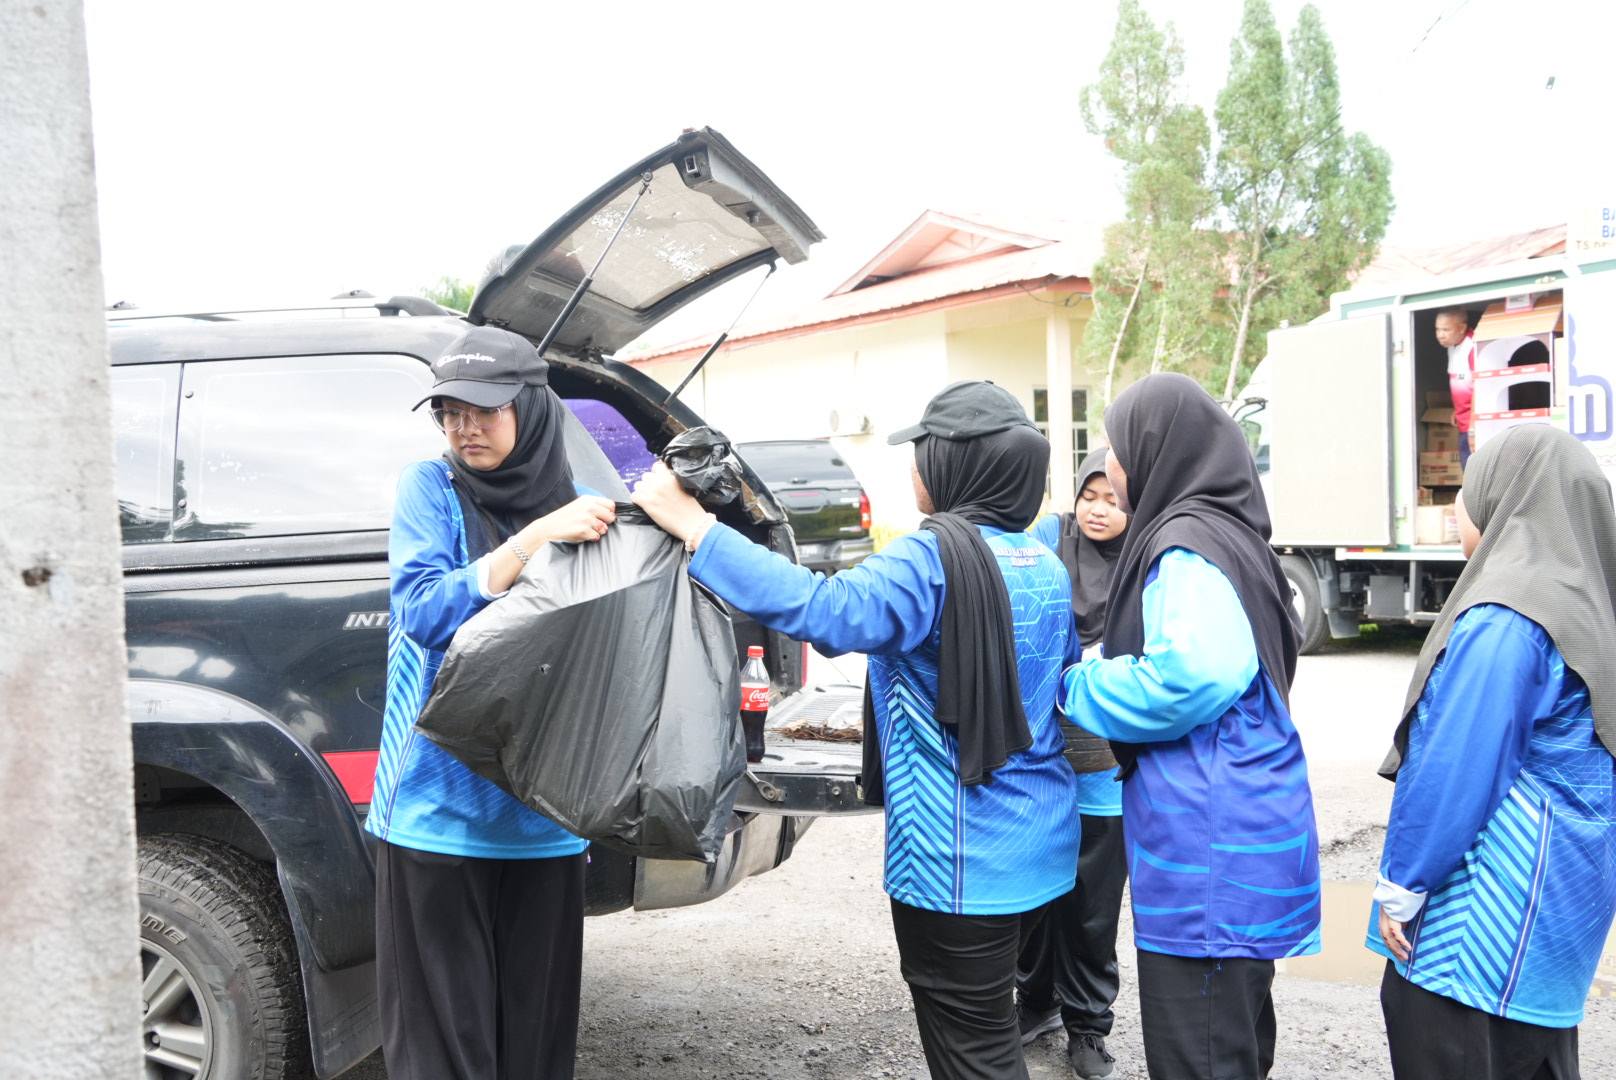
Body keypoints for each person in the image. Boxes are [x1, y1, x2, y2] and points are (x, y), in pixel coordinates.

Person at [633, 380, 1081, 1080]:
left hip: (958, 859)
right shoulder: (1042, 561)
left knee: (977, 1057)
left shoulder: (930, 562)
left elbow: (827, 611)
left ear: (960, 468)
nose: (913, 469)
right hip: (1038, 842)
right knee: (989, 1024)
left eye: (923, 455)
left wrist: (696, 529)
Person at [367, 326, 617, 1080]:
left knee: (533, 1050)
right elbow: (423, 611)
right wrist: (532, 541)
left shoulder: (586, 509)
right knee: (442, 1051)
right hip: (433, 815)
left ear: (532, 411)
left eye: (484, 409)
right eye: (447, 410)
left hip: (545, 817)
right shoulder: (430, 489)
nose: (462, 427)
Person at [1058, 373, 1321, 1080]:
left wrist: (1080, 685)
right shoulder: (1234, 531)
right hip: (1246, 827)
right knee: (1232, 1040)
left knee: (1200, 1051)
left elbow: (1195, 674)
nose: (1111, 467)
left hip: (1212, 840)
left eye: (1117, 449)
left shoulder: (1185, 544)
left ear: (1155, 450)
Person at [1368, 423, 1616, 1080]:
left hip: (1480, 933)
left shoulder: (1508, 614)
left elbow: (1454, 768)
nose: (1460, 507)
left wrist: (1404, 881)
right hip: (1559, 922)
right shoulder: (1590, 605)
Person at [1016, 449, 1129, 1080]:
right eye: (1091, 496)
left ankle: (1088, 1025)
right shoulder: (1046, 538)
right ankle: (1034, 1003)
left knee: (1092, 906)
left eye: (1114, 499)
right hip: (1040, 758)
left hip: (1105, 767)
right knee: (1034, 896)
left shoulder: (1145, 560)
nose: (1099, 510)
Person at [1436, 307, 1477, 468]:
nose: (1440, 334)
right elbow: (1460, 383)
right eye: (1438, 329)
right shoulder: (1452, 347)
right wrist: (1457, 409)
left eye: (1446, 329)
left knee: (1472, 473)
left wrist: (1473, 426)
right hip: (1463, 421)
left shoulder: (1472, 347)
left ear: (1461, 328)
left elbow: (1480, 387)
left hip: (1473, 424)